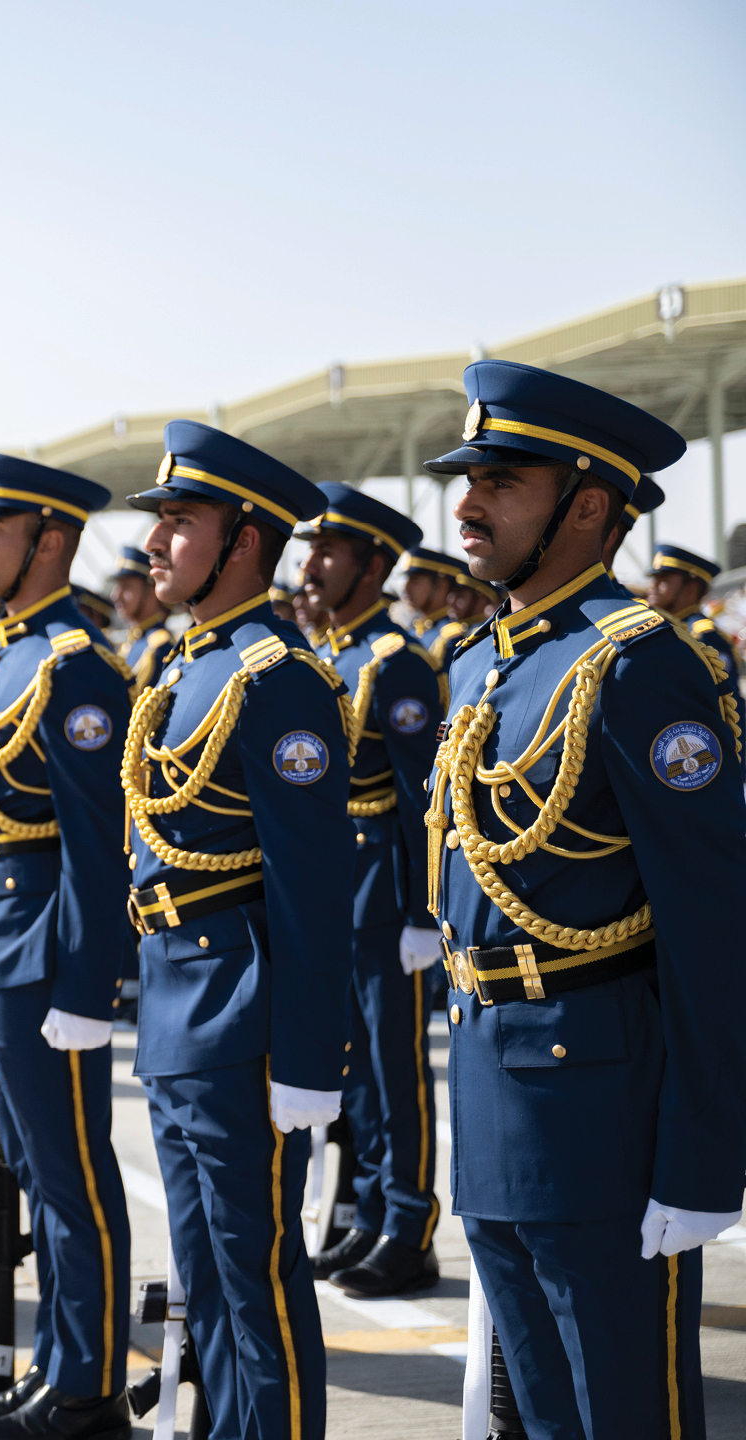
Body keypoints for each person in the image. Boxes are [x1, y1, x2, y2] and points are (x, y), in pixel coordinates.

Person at [423, 364, 746, 1439]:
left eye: (501, 483)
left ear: (588, 505)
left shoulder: (636, 665)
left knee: (622, 1414)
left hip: (604, 1112)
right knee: (542, 1416)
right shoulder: (480, 663)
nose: (467, 506)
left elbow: (712, 923)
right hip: (492, 1086)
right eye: (469, 481)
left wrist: (703, 1160)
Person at [121, 424, 352, 1440]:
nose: (154, 542)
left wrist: (306, 1060)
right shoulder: (190, 665)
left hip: (240, 1012)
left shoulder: (277, 677)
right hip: (178, 1001)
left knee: (257, 1282)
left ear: (245, 541)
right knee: (204, 1275)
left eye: (179, 521)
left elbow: (313, 885)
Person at [0, 454, 135, 1437]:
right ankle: (58, 1363)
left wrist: (85, 985)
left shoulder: (75, 668)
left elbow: (97, 849)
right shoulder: (7, 655)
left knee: (72, 1177)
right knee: (34, 1167)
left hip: (39, 952)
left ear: (51, 541)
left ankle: (89, 1388)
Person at [295, 484, 448, 1298]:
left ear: (375, 565)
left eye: (329, 551)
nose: (311, 565)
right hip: (335, 889)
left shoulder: (397, 663)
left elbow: (426, 798)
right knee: (354, 1065)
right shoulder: (331, 654)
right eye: (312, 549)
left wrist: (424, 912)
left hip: (385, 892)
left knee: (397, 1067)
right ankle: (370, 1210)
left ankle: (411, 1227)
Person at [648, 542, 738, 691]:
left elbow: (724, 696)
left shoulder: (704, 636)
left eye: (663, 579)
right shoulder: (661, 626)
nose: (653, 585)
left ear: (690, 589)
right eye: (654, 578)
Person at [109, 544, 177, 692]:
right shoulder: (131, 645)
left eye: (126, 586)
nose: (115, 595)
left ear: (153, 590)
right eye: (118, 586)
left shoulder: (160, 647)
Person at [400, 546, 460, 647]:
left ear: (442, 585)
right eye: (407, 579)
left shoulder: (450, 638)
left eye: (415, 580)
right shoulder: (413, 631)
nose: (406, 587)